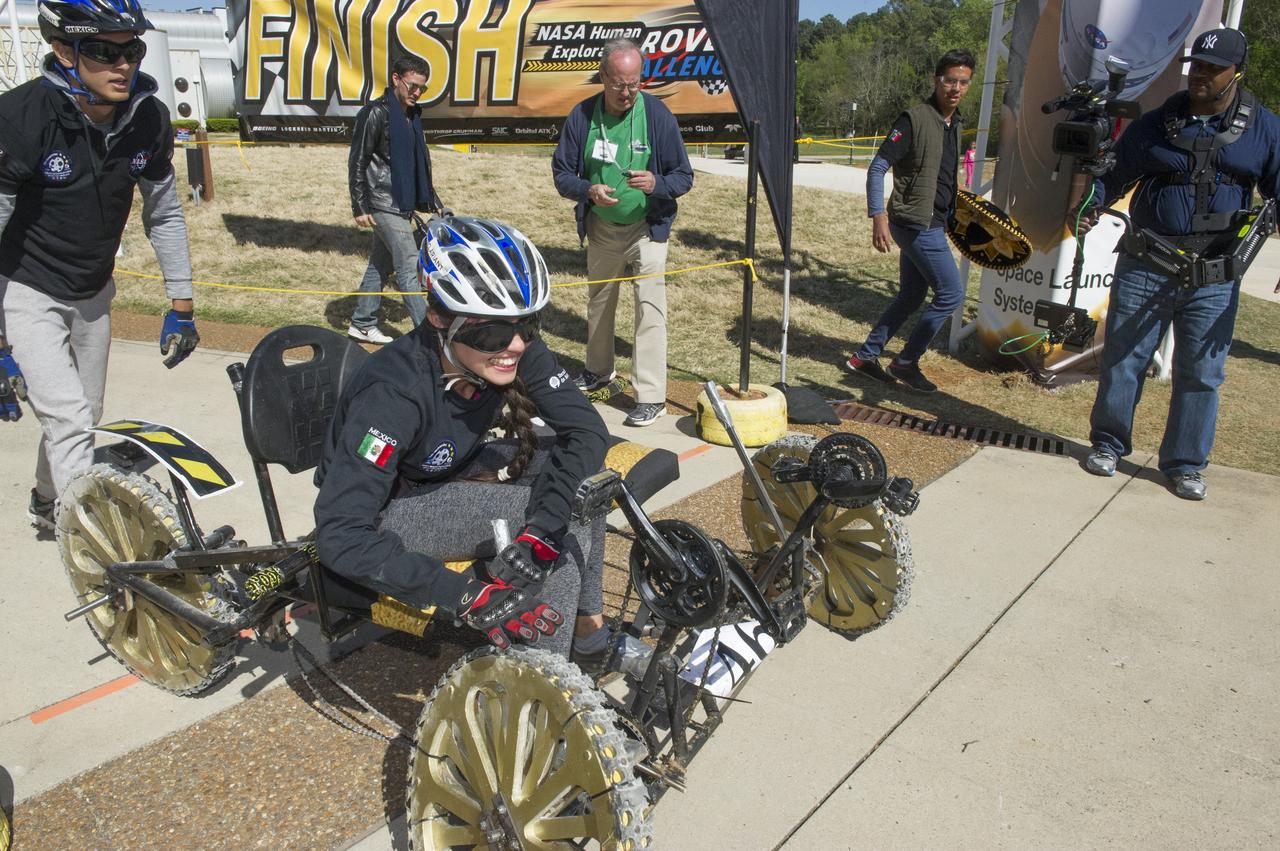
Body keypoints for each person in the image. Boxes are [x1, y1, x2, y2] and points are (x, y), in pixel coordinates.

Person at [315, 215, 615, 661]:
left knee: (581, 492)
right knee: (562, 539)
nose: (514, 345)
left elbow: (587, 430)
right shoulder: (393, 395)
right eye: (493, 331)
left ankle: (587, 629)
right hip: (394, 505)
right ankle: (546, 685)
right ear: (438, 317)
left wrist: (542, 526)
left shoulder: (508, 347)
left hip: (455, 466)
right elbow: (339, 534)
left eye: (527, 325)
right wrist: (461, 592)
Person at [0, 0, 198, 533]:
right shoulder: (21, 117)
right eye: (104, 52)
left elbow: (164, 212)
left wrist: (181, 305)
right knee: (68, 419)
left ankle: (46, 500)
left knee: (81, 415)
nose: (123, 64)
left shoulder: (149, 117)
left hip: (92, 289)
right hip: (24, 286)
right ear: (65, 51)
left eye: (130, 49)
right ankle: (89, 547)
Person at [1075, 28, 1280, 501]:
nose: (1201, 75)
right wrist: (1090, 205)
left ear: (1237, 73)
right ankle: (1108, 444)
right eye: (1197, 66)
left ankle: (1185, 464)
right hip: (1148, 261)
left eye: (1213, 68)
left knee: (1201, 373)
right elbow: (1113, 174)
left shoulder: (1265, 129)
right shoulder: (1157, 124)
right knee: (1124, 360)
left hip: (1214, 274)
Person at [551, 39, 693, 427]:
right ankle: (599, 374)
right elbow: (562, 173)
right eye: (619, 84)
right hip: (601, 227)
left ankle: (650, 396)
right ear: (603, 78)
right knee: (599, 304)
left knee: (650, 309)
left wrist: (657, 183)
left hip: (647, 229)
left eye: (635, 83)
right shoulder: (582, 115)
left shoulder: (658, 115)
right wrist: (587, 190)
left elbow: (684, 176)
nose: (628, 92)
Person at [844, 48, 976, 393]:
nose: (955, 88)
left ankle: (864, 358)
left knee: (912, 294)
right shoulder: (914, 119)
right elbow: (877, 168)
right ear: (937, 80)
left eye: (963, 82)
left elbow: (944, 175)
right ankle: (906, 361)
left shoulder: (955, 122)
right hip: (916, 223)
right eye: (950, 80)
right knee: (950, 293)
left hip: (935, 221)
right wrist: (878, 215)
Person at [346, 55, 445, 345]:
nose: (417, 92)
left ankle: (362, 323)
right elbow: (358, 161)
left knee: (380, 264)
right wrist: (360, 205)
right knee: (409, 268)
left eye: (422, 88)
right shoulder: (375, 113)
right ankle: (429, 338)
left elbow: (417, 164)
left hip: (402, 201)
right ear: (396, 79)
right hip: (380, 201)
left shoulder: (412, 116)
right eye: (413, 85)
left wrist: (433, 199)